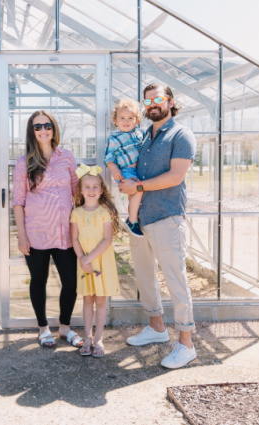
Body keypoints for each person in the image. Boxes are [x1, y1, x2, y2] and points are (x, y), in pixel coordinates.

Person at [118, 83, 198, 369]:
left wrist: (136, 185)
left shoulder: (181, 135)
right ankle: (157, 328)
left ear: (170, 101)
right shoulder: (143, 137)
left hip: (166, 216)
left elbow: (175, 176)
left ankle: (186, 344)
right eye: (148, 100)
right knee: (144, 277)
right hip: (140, 220)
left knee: (175, 280)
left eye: (158, 99)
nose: (152, 104)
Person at [12, 110, 83, 349]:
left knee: (70, 282)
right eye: (37, 126)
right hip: (36, 233)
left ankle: (65, 328)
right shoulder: (24, 162)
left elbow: (77, 192)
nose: (43, 130)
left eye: (47, 125)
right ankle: (43, 328)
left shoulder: (67, 157)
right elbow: (18, 201)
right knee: (38, 281)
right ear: (31, 132)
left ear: (54, 128)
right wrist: (22, 235)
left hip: (65, 233)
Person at [70, 165, 122, 358]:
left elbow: (107, 239)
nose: (91, 190)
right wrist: (82, 260)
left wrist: (88, 258)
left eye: (95, 187)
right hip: (83, 262)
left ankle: (99, 338)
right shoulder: (76, 213)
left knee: (100, 300)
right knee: (87, 299)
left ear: (101, 191)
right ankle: (88, 337)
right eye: (87, 187)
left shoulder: (104, 212)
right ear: (80, 190)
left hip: (100, 260)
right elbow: (74, 238)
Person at [104, 97, 145, 237]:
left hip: (140, 169)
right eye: (122, 118)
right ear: (115, 121)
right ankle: (132, 220)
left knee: (138, 192)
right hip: (125, 170)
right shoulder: (114, 138)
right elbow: (108, 157)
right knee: (137, 189)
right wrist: (114, 169)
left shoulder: (141, 134)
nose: (126, 121)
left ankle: (135, 216)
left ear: (137, 120)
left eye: (130, 118)